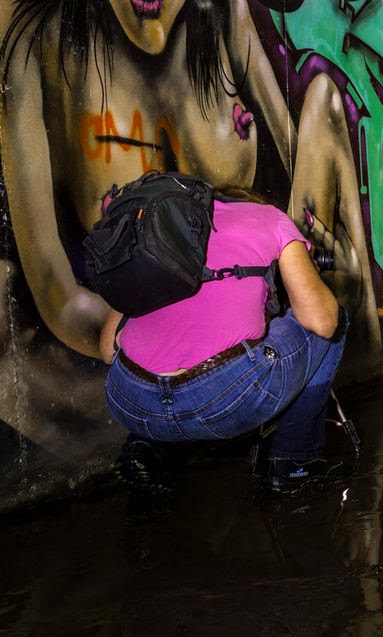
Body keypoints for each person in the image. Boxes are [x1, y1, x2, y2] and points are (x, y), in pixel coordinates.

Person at [0, 0, 380, 367]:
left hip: (252, 330)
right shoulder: (40, 49)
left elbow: (296, 201)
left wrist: (333, 280)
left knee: (325, 102)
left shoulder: (227, 20)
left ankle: (361, 371)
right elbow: (59, 296)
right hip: (151, 360)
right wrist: (167, 346)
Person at [99, 186, 349, 493]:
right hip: (224, 405)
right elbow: (322, 321)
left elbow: (107, 348)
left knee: (163, 349)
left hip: (130, 405)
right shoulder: (271, 219)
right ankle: (294, 461)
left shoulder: (159, 232)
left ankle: (145, 449)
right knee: (332, 317)